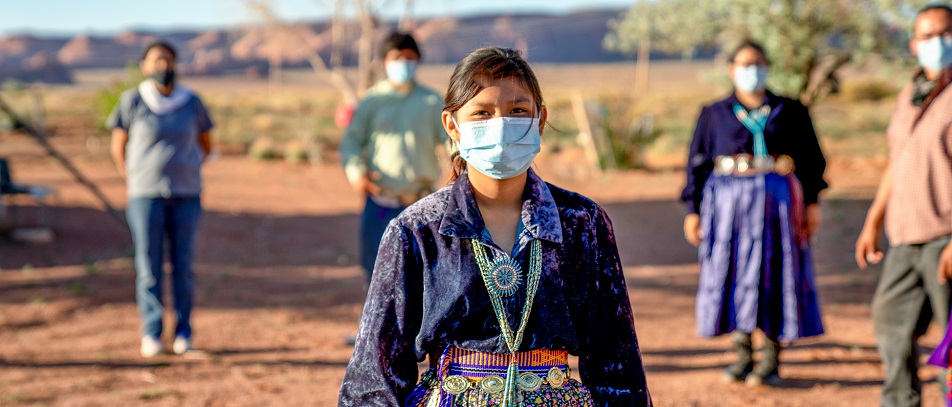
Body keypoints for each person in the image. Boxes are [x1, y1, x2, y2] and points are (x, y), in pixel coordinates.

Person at [339, 47, 652, 406]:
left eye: (518, 111)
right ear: (452, 125)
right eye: (482, 113)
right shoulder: (417, 231)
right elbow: (374, 379)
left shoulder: (581, 222)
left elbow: (617, 363)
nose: (501, 124)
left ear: (540, 118)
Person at [681, 40, 827, 387]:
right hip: (727, 206)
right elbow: (696, 164)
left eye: (758, 63)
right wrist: (693, 210)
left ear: (768, 67)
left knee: (777, 271)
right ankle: (743, 352)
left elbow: (812, 160)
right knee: (731, 271)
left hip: (777, 205)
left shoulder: (790, 110)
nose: (752, 71)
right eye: (745, 64)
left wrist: (812, 204)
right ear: (731, 69)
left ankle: (772, 358)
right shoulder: (713, 113)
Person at [855, 5, 952, 406]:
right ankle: (900, 400)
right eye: (927, 36)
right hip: (905, 234)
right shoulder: (908, 95)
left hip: (945, 236)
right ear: (914, 44)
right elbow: (898, 162)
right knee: (891, 317)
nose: (937, 43)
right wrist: (872, 221)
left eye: (944, 34)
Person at [107, 40, 213, 358]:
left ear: (176, 63)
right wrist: (135, 178)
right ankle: (151, 333)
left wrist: (187, 170)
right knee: (149, 266)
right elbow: (118, 146)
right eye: (156, 60)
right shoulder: (132, 101)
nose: (162, 66)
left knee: (183, 266)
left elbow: (205, 144)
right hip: (144, 195)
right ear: (144, 66)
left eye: (167, 59)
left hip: (186, 194)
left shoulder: (191, 102)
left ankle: (184, 333)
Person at [339, 32, 448, 284]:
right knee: (379, 278)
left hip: (423, 204)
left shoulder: (432, 102)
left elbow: (452, 143)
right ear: (384, 62)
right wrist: (357, 175)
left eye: (410, 57)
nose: (404, 63)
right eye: (397, 57)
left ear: (418, 60)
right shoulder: (371, 102)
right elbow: (351, 142)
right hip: (380, 203)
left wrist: (460, 174)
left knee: (426, 279)